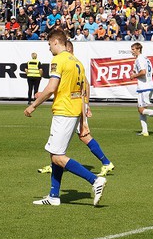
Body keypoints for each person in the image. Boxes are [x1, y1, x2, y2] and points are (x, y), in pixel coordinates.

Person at [25, 29, 107, 206]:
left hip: (64, 111)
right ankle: (54, 196)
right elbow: (84, 92)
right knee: (55, 153)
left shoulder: (59, 59)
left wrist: (33, 105)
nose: (49, 49)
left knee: (57, 157)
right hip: (75, 110)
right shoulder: (77, 62)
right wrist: (84, 119)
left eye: (49, 45)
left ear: (56, 42)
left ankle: (95, 180)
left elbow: (51, 88)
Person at [37, 40, 115, 177]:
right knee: (80, 136)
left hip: (72, 106)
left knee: (84, 136)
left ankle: (106, 163)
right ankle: (55, 164)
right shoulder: (75, 63)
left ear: (68, 48)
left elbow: (85, 85)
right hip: (75, 105)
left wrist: (86, 105)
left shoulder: (70, 63)